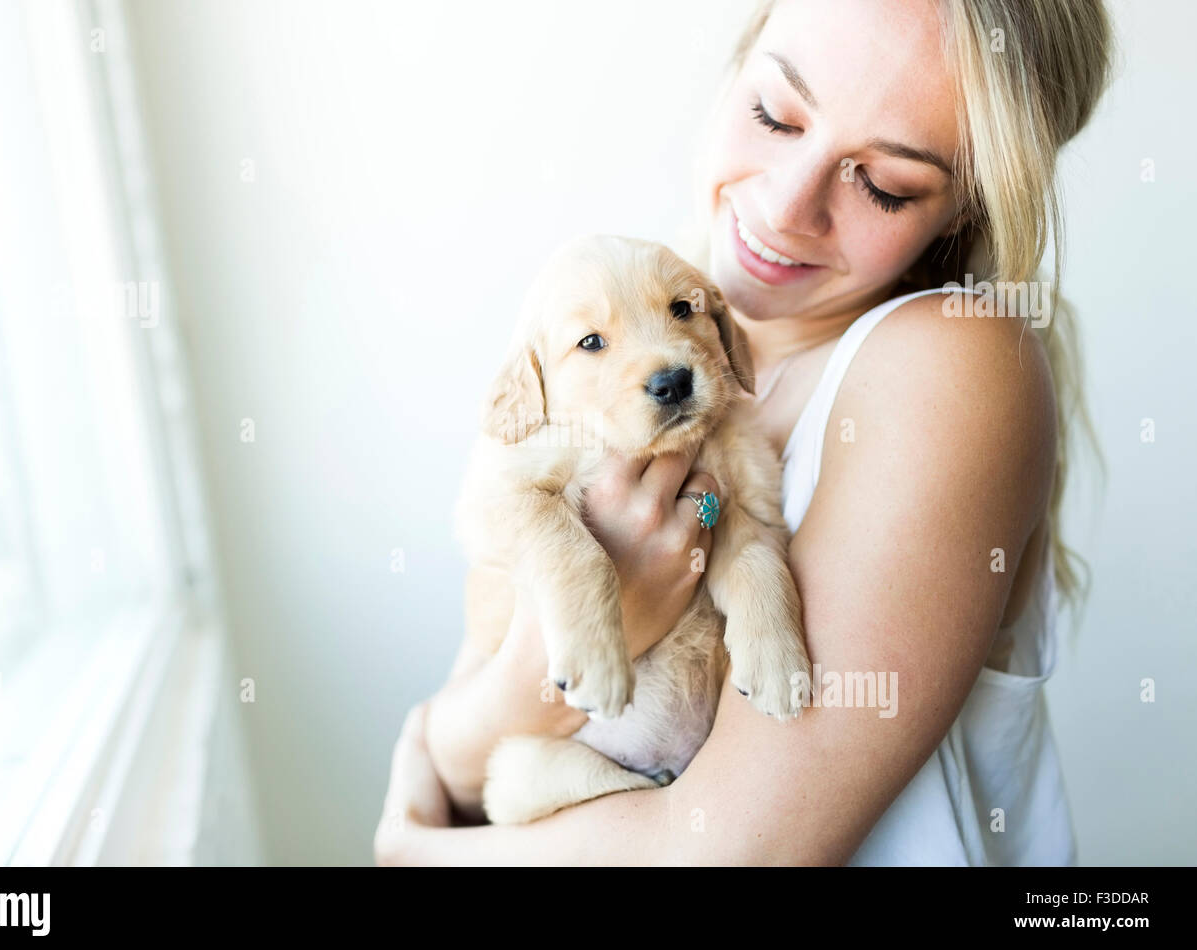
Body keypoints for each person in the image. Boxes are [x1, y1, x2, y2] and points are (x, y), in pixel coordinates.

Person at [375, 0, 1112, 865]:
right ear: (736, 64)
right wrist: (588, 620)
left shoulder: (951, 364)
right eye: (775, 113)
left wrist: (410, 849)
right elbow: (461, 754)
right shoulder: (648, 330)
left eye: (885, 183)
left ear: (965, 210)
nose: (786, 206)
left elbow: (726, 854)